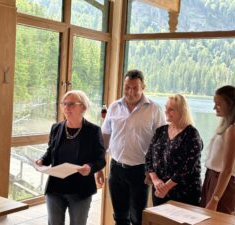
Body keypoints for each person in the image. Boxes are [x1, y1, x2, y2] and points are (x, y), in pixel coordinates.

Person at [101, 69, 166, 225]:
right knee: (119, 216)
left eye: (135, 88)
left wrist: (154, 172)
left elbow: (161, 142)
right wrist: (99, 166)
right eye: (127, 87)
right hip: (116, 169)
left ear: (143, 87)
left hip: (141, 171)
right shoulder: (114, 106)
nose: (130, 92)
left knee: (137, 217)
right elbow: (105, 136)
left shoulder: (154, 109)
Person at [35, 90, 106, 225]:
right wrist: (42, 160)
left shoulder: (93, 131)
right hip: (55, 188)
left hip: (80, 190)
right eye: (64, 104)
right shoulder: (56, 127)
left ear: (83, 107)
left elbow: (101, 159)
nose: (66, 108)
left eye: (71, 104)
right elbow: (50, 152)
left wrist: (90, 168)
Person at [200, 85, 235, 214]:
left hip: (223, 186)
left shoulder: (234, 130)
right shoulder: (227, 127)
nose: (214, 107)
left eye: (218, 104)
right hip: (213, 179)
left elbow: (227, 169)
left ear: (231, 105)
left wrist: (215, 199)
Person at [145, 94, 203, 206]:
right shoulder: (160, 131)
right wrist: (156, 180)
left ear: (182, 111)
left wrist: (166, 187)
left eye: (171, 109)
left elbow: (187, 168)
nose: (166, 112)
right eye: (166, 108)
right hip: (159, 191)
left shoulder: (192, 134)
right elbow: (148, 158)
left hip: (184, 194)